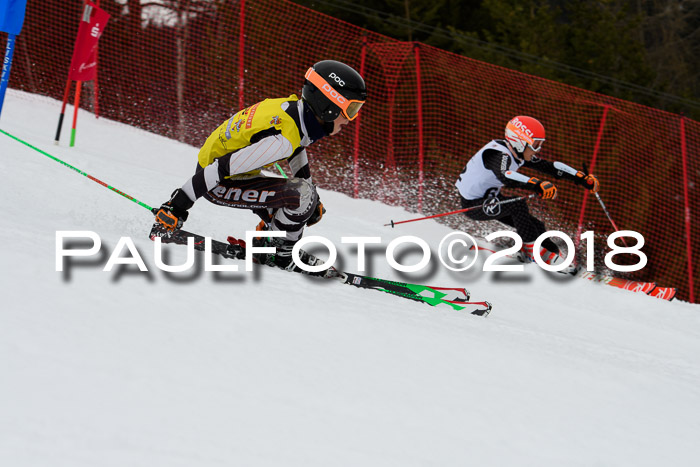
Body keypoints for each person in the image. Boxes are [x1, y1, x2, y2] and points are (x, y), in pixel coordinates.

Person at [151, 60, 367, 271]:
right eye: (351, 109)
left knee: (305, 200)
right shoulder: (281, 140)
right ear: (327, 105)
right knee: (303, 196)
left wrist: (313, 200)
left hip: (228, 174)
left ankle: (270, 240)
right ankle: (283, 255)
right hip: (216, 183)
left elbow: (297, 147)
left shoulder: (293, 111)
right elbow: (222, 168)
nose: (350, 120)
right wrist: (176, 207)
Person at [455, 116, 599, 269]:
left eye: (540, 144)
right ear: (519, 141)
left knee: (537, 226)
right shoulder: (498, 154)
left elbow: (548, 167)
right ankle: (530, 253)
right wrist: (537, 185)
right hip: (473, 205)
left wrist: (580, 177)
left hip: (491, 199)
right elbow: (505, 175)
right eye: (536, 145)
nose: (538, 149)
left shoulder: (517, 153)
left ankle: (553, 255)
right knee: (518, 205)